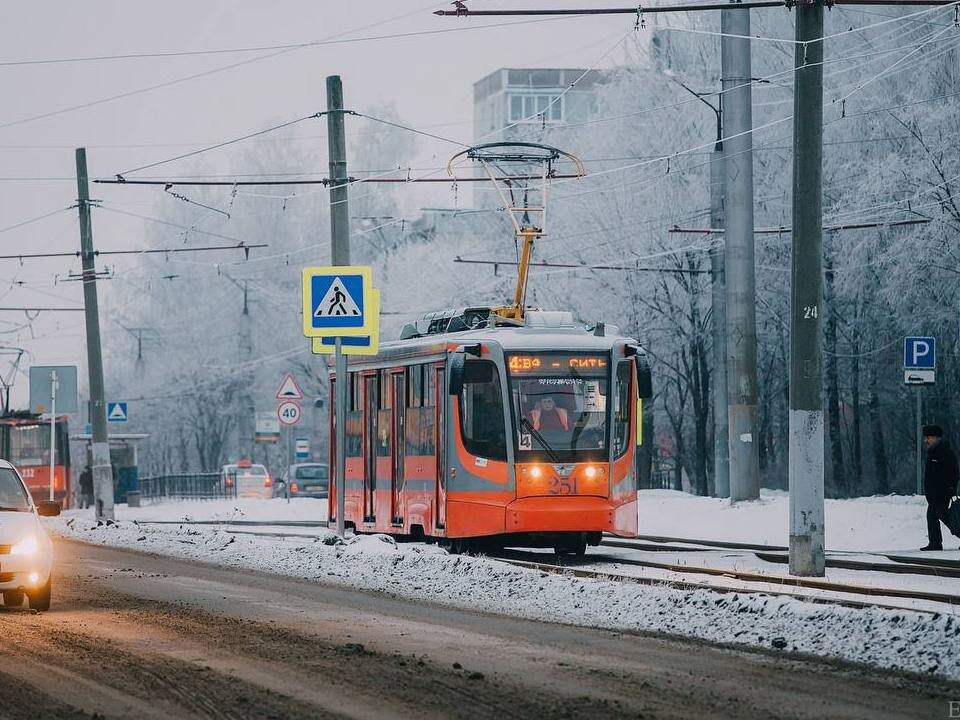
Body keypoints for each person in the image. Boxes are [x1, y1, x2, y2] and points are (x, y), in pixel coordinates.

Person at [920, 424, 959, 551]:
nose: (926, 440)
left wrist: (950, 488)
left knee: (944, 515)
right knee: (932, 516)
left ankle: (936, 542)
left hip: (942, 493)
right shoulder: (933, 452)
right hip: (934, 494)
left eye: (929, 437)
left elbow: (953, 472)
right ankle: (935, 543)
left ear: (937, 438)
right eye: (925, 437)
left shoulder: (944, 452)